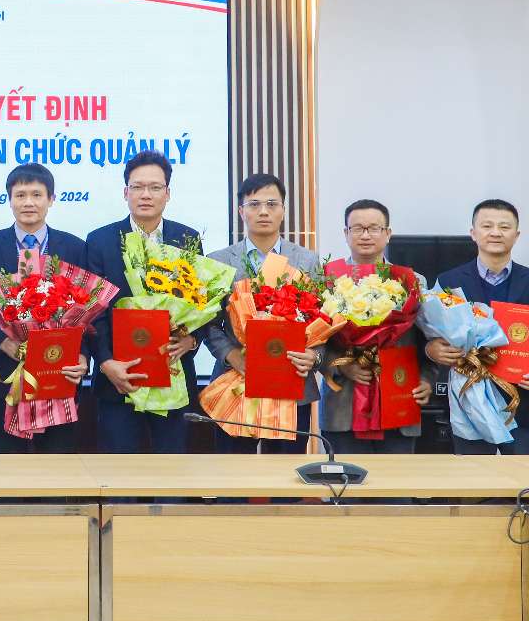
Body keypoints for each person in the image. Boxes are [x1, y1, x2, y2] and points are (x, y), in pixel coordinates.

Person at [86, 150, 202, 452]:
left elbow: (201, 303)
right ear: (126, 193)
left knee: (171, 471)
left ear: (168, 193)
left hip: (173, 375)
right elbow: (93, 312)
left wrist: (192, 340)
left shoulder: (187, 239)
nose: (146, 194)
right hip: (119, 380)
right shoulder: (100, 240)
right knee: (119, 473)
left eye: (155, 187)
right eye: (137, 187)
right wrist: (106, 362)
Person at [0, 164, 88, 452]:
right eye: (20, 195)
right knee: (8, 467)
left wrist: (83, 355)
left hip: (59, 374)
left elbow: (85, 312)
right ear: (9, 199)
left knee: (57, 466)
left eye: (37, 195)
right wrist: (1, 342)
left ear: (51, 199)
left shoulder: (75, 247)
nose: (28, 202)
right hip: (5, 375)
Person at [205, 173, 319, 453]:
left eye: (272, 204)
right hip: (236, 380)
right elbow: (208, 322)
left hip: (291, 385)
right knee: (232, 473)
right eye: (254, 204)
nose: (264, 211)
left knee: (287, 473)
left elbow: (322, 320)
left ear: (283, 210)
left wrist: (314, 355)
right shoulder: (218, 261)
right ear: (241, 211)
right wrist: (231, 354)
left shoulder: (307, 261)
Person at [318, 200, 431, 454]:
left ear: (388, 233)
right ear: (346, 233)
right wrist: (340, 366)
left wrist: (427, 379)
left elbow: (430, 341)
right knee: (347, 480)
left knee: (398, 481)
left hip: (399, 400)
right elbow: (313, 342)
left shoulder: (413, 281)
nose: (366, 235)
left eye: (374, 228)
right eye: (358, 228)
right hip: (343, 408)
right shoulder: (326, 279)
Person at [430, 199, 529, 454]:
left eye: (504, 227)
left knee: (522, 476)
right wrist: (432, 349)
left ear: (517, 235)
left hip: (521, 403)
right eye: (487, 226)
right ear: (473, 233)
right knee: (472, 474)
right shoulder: (448, 281)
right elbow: (431, 334)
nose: (496, 232)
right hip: (469, 401)